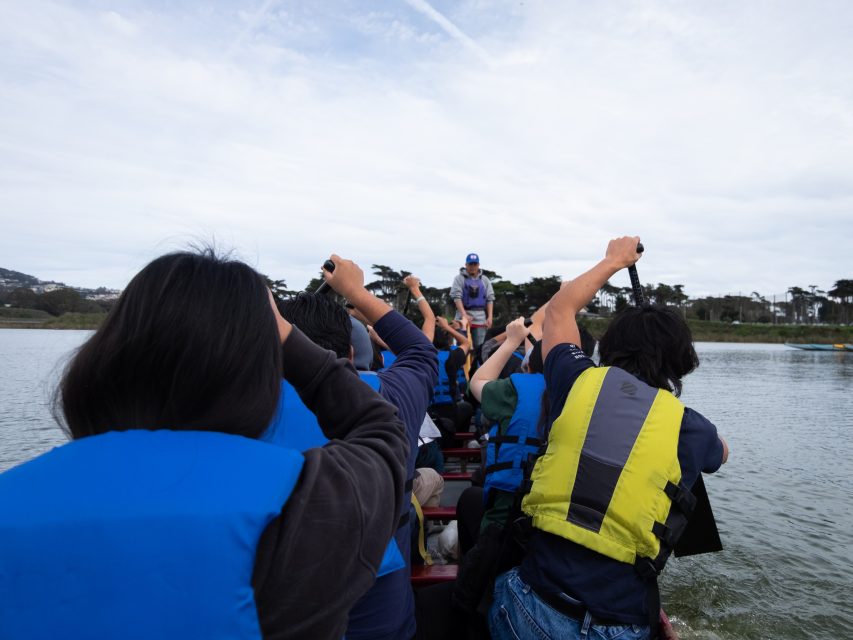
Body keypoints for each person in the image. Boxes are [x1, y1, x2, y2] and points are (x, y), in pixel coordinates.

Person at [0, 249, 410, 640]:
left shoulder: (12, 495)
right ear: (261, 375)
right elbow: (381, 431)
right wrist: (285, 335)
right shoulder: (304, 502)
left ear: (106, 355)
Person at [489, 236, 729, 640]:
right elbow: (722, 452)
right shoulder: (693, 430)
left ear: (613, 346)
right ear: (680, 363)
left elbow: (560, 308)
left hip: (532, 611)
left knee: (501, 582)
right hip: (619, 627)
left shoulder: (576, 380)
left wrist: (613, 262)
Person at [277, 270, 438, 640]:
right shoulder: (393, 394)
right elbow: (419, 349)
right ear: (350, 354)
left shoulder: (237, 406)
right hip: (383, 614)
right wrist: (353, 290)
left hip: (281, 609)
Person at [450, 253, 495, 353]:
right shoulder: (459, 279)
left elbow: (490, 299)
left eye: (475, 264)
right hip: (462, 317)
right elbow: (457, 297)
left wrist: (490, 317)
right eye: (470, 264)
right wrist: (464, 315)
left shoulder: (485, 280)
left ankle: (478, 367)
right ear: (466, 265)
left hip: (480, 318)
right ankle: (461, 367)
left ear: (478, 265)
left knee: (480, 348)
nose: (472, 267)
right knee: (462, 347)